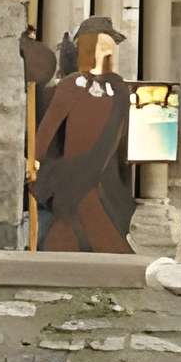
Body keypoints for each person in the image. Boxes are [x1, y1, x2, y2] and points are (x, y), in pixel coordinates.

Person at [31, 14, 132, 253]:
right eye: (100, 46)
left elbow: (122, 136)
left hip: (102, 172)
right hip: (77, 170)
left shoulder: (118, 89)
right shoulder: (72, 86)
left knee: (88, 221)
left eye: (109, 48)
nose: (106, 53)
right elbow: (48, 128)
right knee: (80, 218)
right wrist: (35, 158)